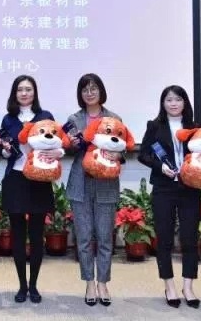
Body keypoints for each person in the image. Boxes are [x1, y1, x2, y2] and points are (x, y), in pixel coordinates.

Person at [0, 75, 64, 304]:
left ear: (34, 93)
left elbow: (60, 144)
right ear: (14, 93)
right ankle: (22, 286)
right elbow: (3, 152)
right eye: (20, 89)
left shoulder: (45, 116)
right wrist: (5, 149)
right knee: (18, 236)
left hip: (40, 179)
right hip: (16, 178)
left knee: (36, 235)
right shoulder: (8, 119)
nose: (24, 93)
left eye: (28, 89)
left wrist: (59, 152)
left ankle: (34, 285)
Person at [138, 85, 201, 309]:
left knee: (189, 238)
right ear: (163, 103)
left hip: (190, 188)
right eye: (169, 100)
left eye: (178, 99)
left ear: (185, 102)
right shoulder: (154, 126)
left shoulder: (195, 127)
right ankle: (170, 286)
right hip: (163, 188)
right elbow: (143, 154)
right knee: (164, 238)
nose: (173, 104)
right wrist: (160, 166)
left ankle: (188, 287)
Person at [65, 73, 122, 307]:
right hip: (80, 182)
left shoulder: (114, 118)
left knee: (105, 236)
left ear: (101, 91)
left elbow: (123, 148)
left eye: (93, 89)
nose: (89, 93)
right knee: (84, 237)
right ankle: (89, 282)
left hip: (106, 182)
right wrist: (71, 145)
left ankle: (103, 283)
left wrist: (118, 154)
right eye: (85, 89)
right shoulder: (74, 119)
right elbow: (67, 150)